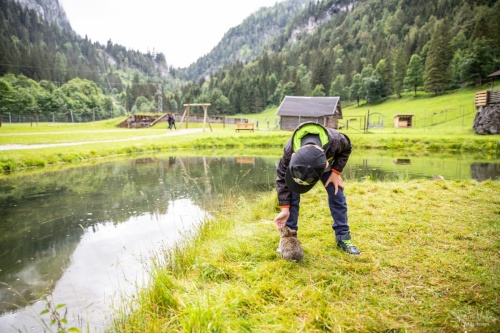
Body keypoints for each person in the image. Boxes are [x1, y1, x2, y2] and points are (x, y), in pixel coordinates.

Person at [274, 121, 360, 255]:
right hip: (300, 168)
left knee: (337, 193)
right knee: (292, 194)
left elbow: (347, 148)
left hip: (324, 168)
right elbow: (281, 178)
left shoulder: (336, 141)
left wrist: (336, 172)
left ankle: (343, 237)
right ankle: (289, 238)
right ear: (293, 157)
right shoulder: (290, 151)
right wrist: (285, 209)